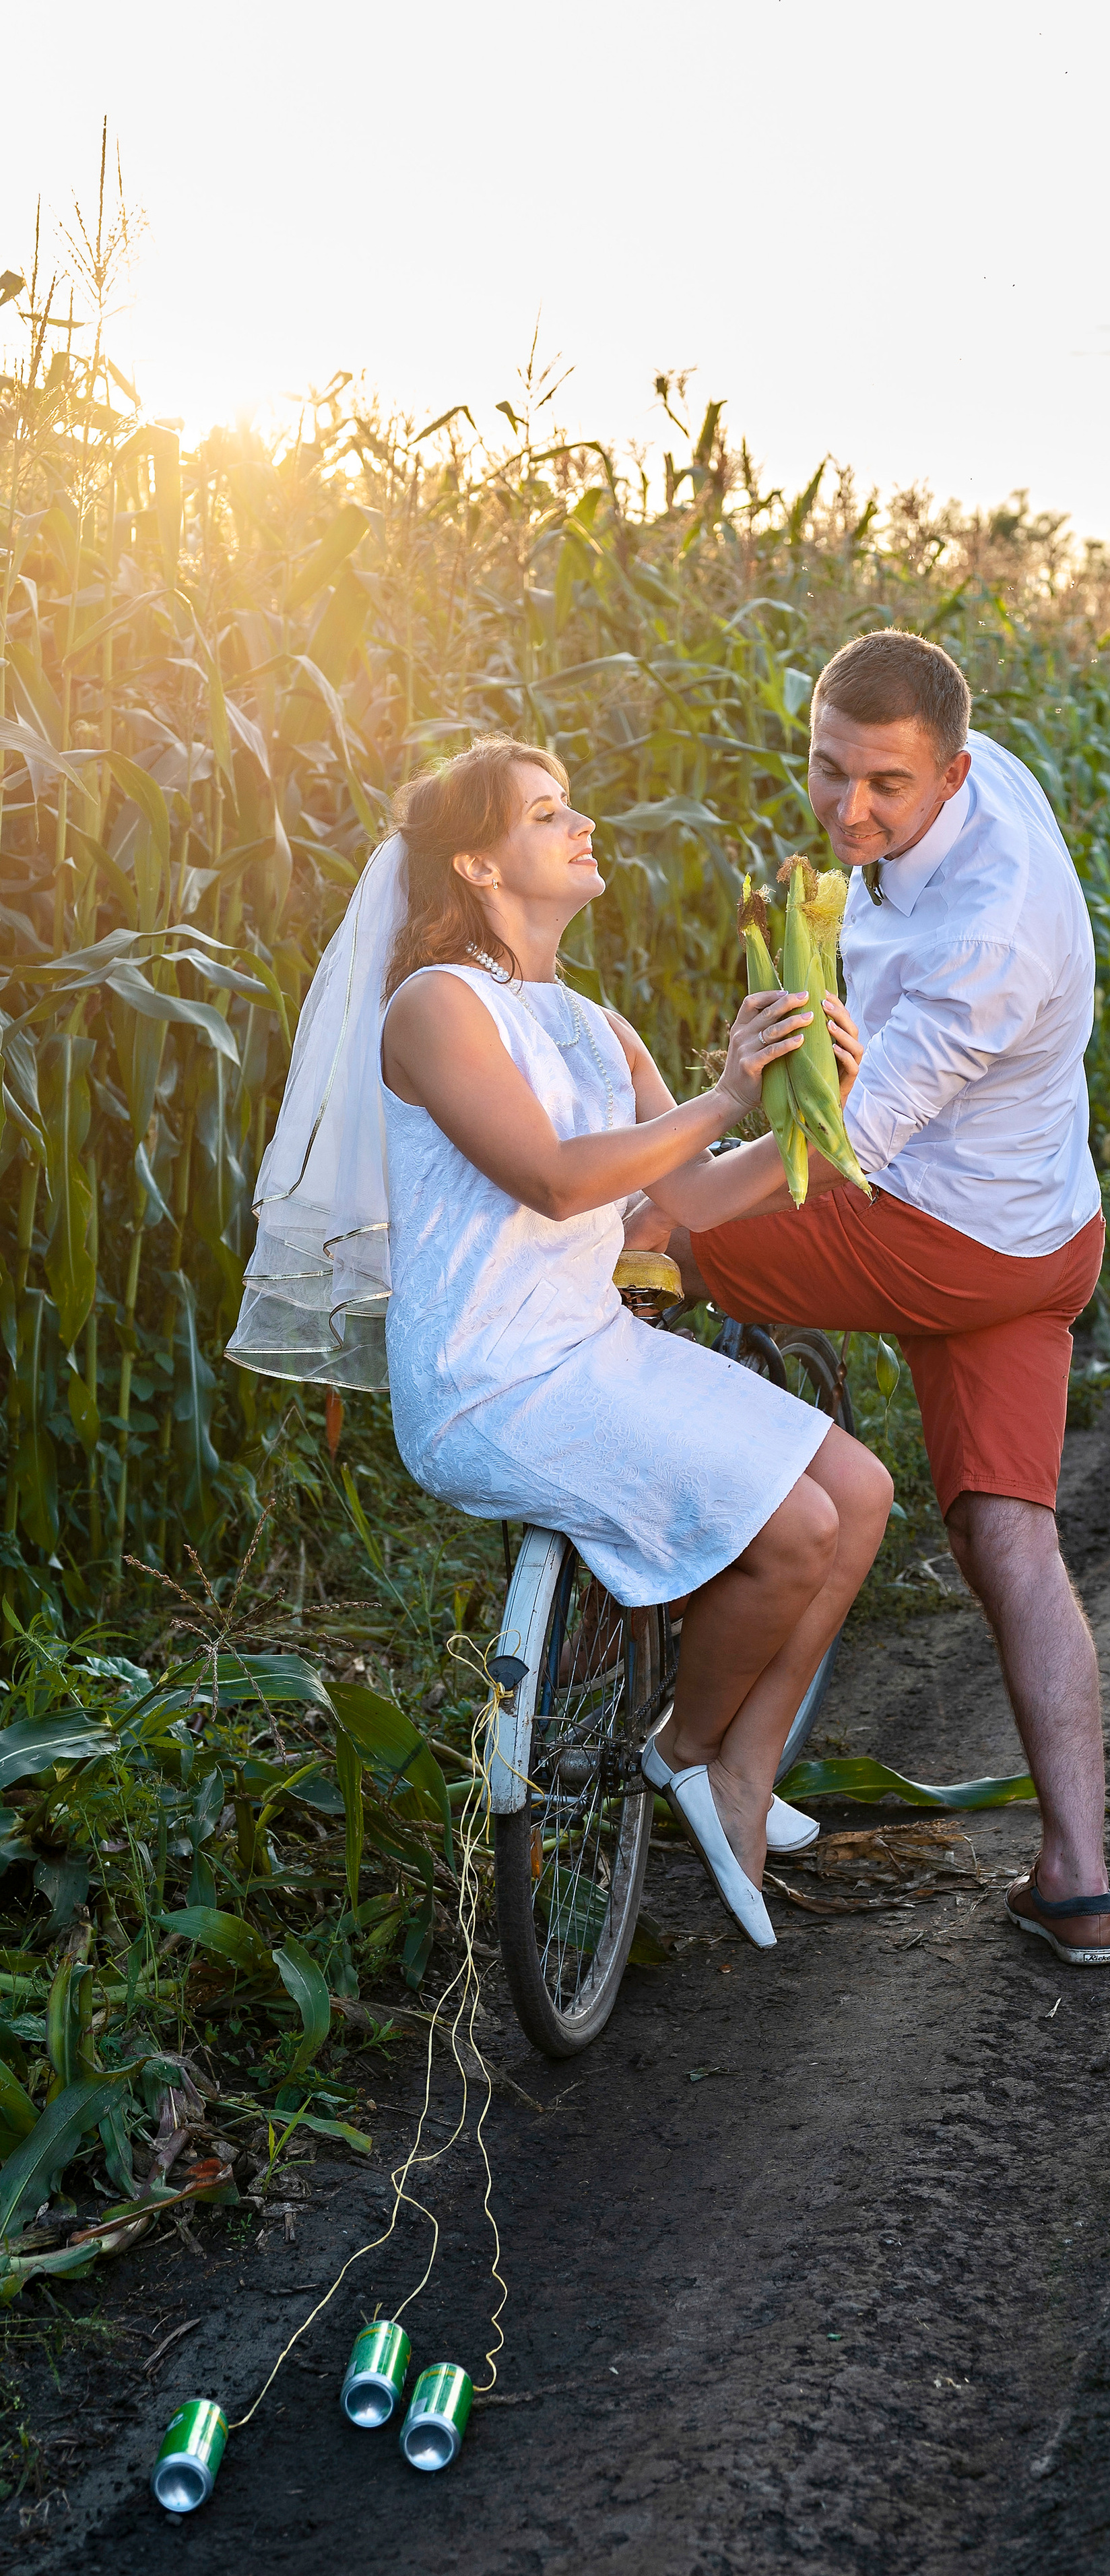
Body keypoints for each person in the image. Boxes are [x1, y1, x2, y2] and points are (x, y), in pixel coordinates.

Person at [230, 736, 893, 1953]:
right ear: (478, 864)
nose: (582, 825)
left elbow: (686, 1197)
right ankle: (685, 1753)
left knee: (859, 1492)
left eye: (572, 806)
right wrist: (732, 1091)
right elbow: (548, 1177)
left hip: (594, 1349)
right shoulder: (435, 1006)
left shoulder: (592, 1022)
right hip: (494, 1381)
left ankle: (736, 1768)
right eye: (548, 815)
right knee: (795, 1531)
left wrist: (813, 1104)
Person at [659, 631, 1110, 1967]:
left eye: (885, 790)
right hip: (1043, 1229)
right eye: (825, 771)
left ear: (952, 772)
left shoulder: (983, 943)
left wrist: (656, 1197)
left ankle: (633, 1619)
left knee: (640, 1247)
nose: (849, 811)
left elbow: (829, 1153)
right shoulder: (983, 772)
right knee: (1005, 1539)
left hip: (939, 1234)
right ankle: (1076, 1884)